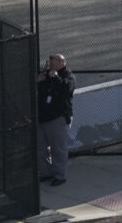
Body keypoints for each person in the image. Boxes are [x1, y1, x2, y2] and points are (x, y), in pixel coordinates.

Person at [37, 53, 75, 186]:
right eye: (50, 61)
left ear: (62, 63)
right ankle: (46, 172)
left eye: (54, 62)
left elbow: (66, 90)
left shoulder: (68, 77)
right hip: (42, 117)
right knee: (40, 148)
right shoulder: (45, 76)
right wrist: (38, 81)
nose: (51, 64)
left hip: (57, 118)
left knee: (58, 148)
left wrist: (56, 78)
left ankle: (60, 175)